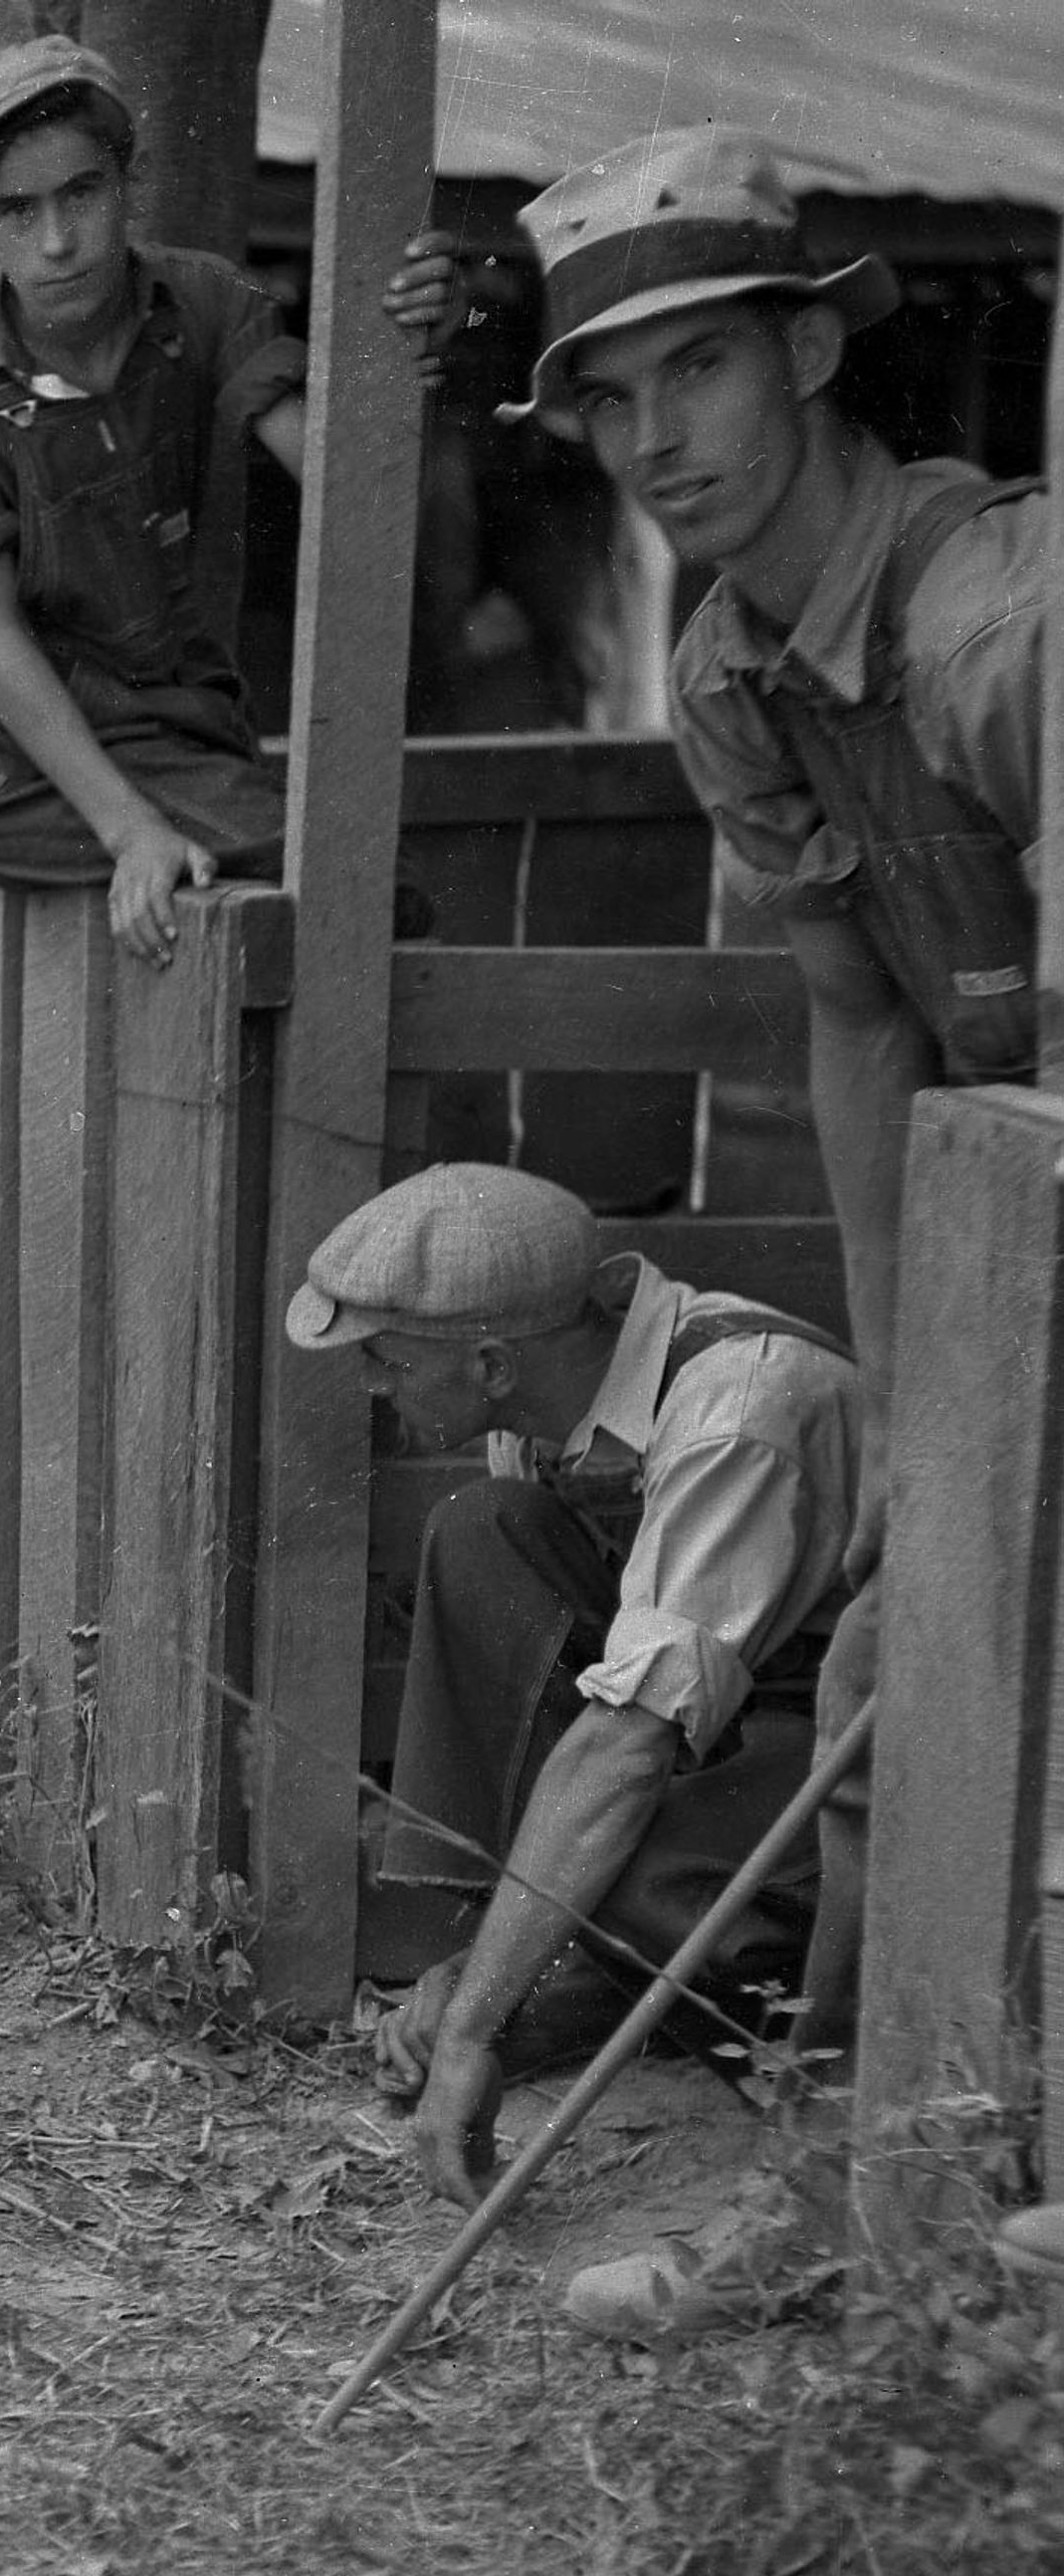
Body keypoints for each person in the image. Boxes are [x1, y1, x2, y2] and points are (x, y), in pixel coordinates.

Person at [512, 125, 1050, 2326]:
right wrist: (927, 1423)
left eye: (700, 375)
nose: (654, 444)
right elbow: (857, 1024)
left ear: (816, 352)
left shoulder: (1004, 627)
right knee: (912, 1660)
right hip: (1014, 1194)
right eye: (611, 404)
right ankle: (866, 2189)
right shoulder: (739, 669)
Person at [297, 1166, 868, 2334]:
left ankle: (806, 2153)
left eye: (388, 1359)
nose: (371, 1385)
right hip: (722, 1705)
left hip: (855, 1736)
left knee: (660, 1861)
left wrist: (464, 2029)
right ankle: (535, 1966)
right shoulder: (560, 1397)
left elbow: (623, 1750)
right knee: (485, 1536)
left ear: (495, 1363)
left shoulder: (735, 1417)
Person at [0, 37, 464, 963]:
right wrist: (128, 833)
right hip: (12, 745)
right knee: (356, 900)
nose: (58, 241)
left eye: (83, 193)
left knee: (347, 889)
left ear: (129, 182)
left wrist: (407, 349)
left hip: (181, 731)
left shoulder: (206, 306)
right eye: (16, 211)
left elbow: (340, 483)